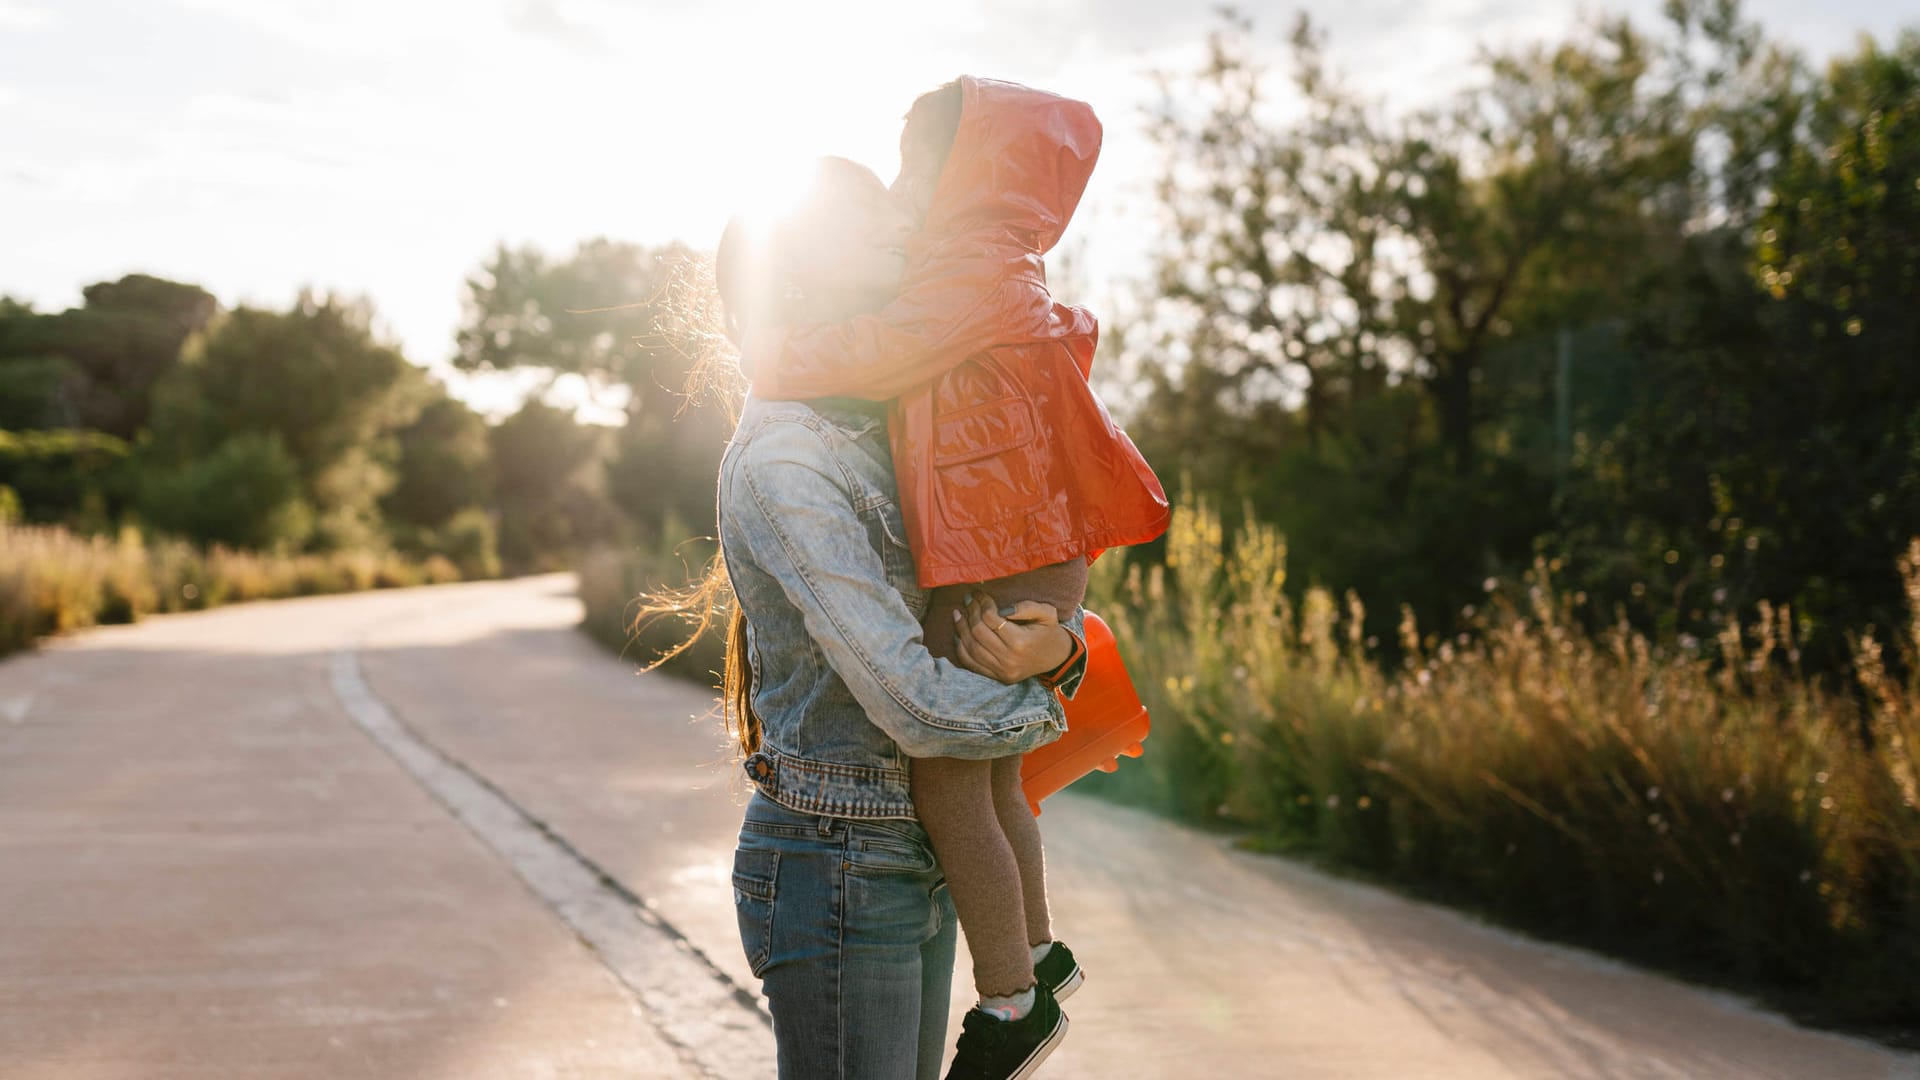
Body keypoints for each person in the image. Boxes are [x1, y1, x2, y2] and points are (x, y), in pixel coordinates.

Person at [737, 77, 1170, 1078]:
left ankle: (1014, 993)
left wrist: (778, 356)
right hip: (1014, 551)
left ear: (967, 175)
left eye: (911, 171)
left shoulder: (968, 272)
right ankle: (1037, 958)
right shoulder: (800, 450)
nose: (899, 196)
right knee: (987, 779)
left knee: (955, 775)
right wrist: (1051, 666)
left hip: (1003, 546)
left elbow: (889, 347)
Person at [700, 153, 1091, 1080]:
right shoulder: (785, 462)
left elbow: (991, 573)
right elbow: (912, 700)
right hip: (838, 860)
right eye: (863, 216)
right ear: (798, 269)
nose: (894, 226)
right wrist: (1047, 699)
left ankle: (1030, 975)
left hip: (914, 847)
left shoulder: (891, 418)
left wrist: (1056, 643)